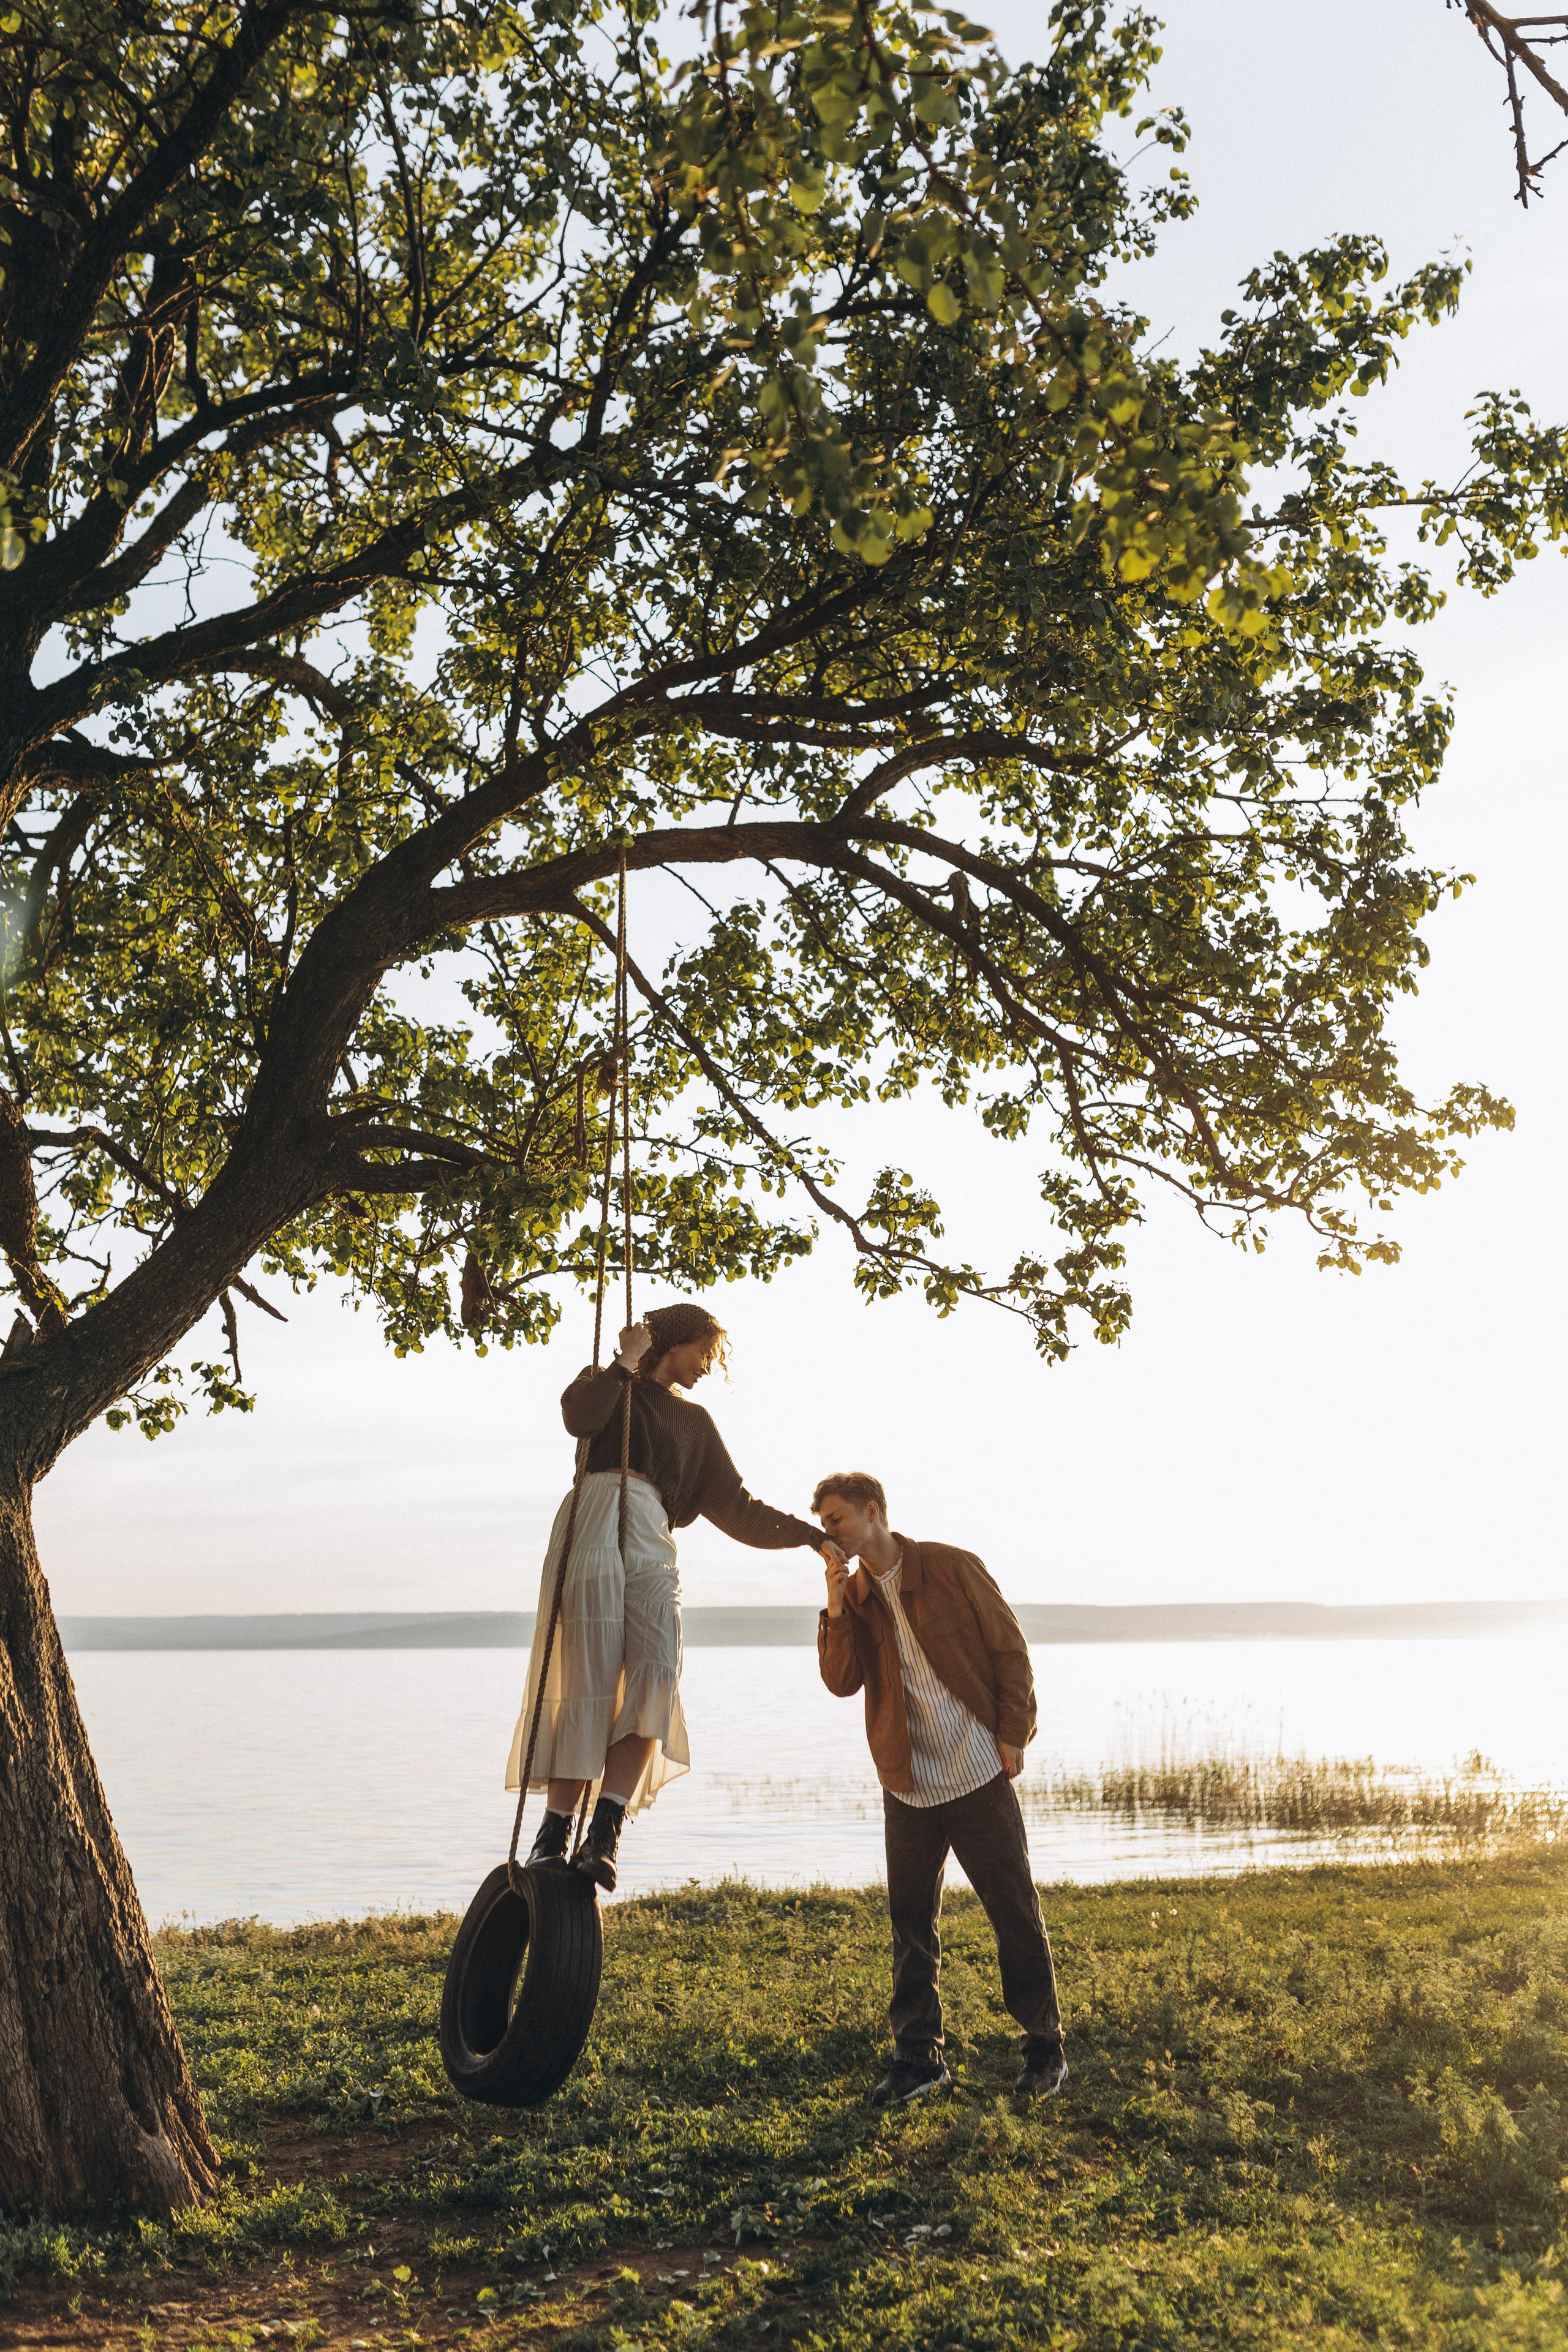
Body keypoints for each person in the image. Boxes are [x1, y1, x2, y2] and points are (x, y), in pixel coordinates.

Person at [508, 1301, 827, 1893]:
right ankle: (553, 1833)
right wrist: (623, 1364)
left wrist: (810, 1537)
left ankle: (605, 1830)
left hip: (653, 1535)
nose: (709, 1364)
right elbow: (581, 1419)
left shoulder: (696, 1423)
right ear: (673, 1342)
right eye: (704, 1350)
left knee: (658, 1670)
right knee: (590, 1681)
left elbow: (737, 1508)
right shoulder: (607, 1386)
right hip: (594, 1520)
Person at [813, 1472, 1067, 2105]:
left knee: (1012, 1911)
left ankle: (1044, 2049)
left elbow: (1010, 1651)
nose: (829, 1535)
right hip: (906, 1784)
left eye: (837, 1520)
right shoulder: (857, 1597)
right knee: (910, 1925)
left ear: (873, 1512)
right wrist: (836, 1603)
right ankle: (919, 2060)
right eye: (823, 1525)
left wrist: (1014, 1733)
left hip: (977, 1771)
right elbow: (841, 1683)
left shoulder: (953, 1568)